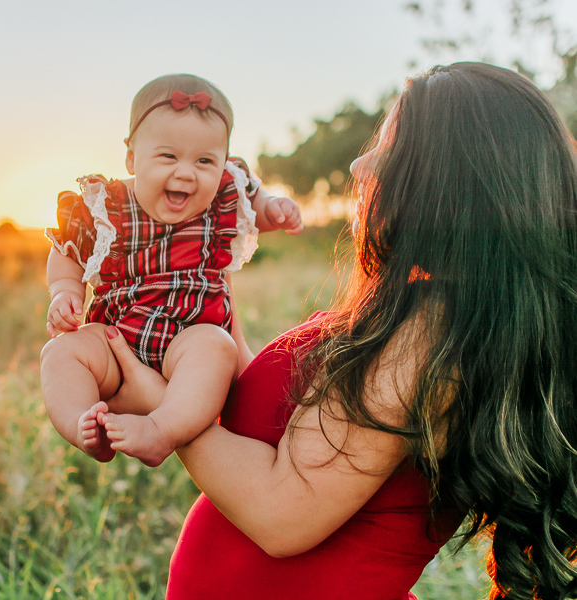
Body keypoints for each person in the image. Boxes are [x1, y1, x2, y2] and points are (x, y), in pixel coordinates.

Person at [101, 62, 577, 599]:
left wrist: (157, 404)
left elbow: (282, 513)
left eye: (390, 143)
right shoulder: (416, 314)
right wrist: (202, 285)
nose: (359, 162)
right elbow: (277, 428)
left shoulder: (432, 338)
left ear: (444, 177)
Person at [41, 73, 303, 467]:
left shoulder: (223, 196)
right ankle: (85, 424)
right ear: (132, 158)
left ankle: (161, 430)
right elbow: (67, 250)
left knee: (218, 347)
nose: (186, 172)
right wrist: (65, 291)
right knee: (62, 352)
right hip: (116, 337)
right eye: (168, 156)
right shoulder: (105, 206)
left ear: (224, 164)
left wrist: (273, 209)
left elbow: (254, 203)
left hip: (188, 338)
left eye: (204, 161)